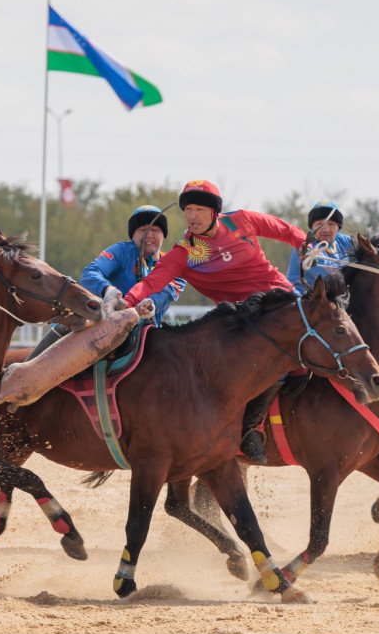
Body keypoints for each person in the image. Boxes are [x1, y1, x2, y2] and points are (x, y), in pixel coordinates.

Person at [122, 179, 308, 464]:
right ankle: (248, 431)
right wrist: (127, 303)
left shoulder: (242, 221)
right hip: (244, 321)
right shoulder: (185, 251)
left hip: (282, 301)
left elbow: (287, 231)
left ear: (214, 212)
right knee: (278, 363)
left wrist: (305, 245)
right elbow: (152, 282)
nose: (192, 216)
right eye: (188, 210)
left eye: (199, 209)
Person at [27, 205, 187, 359]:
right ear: (133, 234)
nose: (149, 234)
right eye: (142, 230)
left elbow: (167, 294)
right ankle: (27, 371)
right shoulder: (120, 251)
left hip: (150, 335)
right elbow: (90, 273)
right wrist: (108, 291)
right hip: (109, 326)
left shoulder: (175, 265)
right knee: (66, 327)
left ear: (164, 235)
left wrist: (149, 304)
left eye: (155, 229)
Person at [286, 200, 356, 295]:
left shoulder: (343, 240)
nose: (326, 229)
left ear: (338, 227)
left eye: (331, 224)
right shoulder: (306, 247)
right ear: (312, 228)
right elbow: (333, 276)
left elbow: (367, 251)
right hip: (302, 302)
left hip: (330, 301)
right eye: (319, 224)